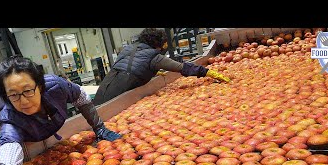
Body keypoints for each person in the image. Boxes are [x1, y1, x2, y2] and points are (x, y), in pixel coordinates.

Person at [0, 55, 121, 165]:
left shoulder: (56, 87)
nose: (23, 100)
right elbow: (9, 149)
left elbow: (80, 96)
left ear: (39, 86)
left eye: (28, 90)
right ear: (6, 96)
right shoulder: (10, 119)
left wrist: (100, 128)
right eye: (13, 95)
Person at [92, 28, 230, 106]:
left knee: (99, 111)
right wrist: (206, 72)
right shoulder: (154, 56)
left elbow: (128, 67)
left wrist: (150, 72)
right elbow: (182, 68)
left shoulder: (129, 48)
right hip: (119, 94)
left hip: (105, 88)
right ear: (158, 44)